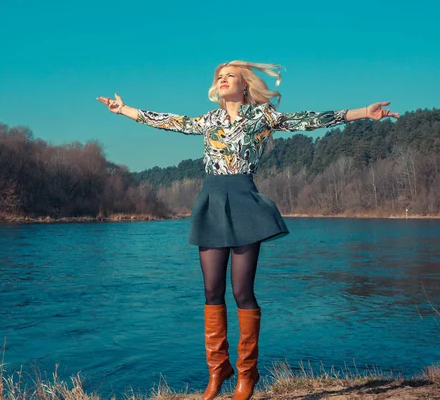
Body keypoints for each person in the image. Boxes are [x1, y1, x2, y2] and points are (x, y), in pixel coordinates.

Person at [97, 60, 399, 400]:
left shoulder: (262, 117)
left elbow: (308, 120)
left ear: (244, 86)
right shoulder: (208, 120)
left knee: (242, 291)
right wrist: (124, 110)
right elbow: (169, 121)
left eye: (231, 77)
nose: (223, 81)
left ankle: (247, 373)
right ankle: (217, 369)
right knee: (212, 291)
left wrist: (361, 112)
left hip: (243, 203)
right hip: (211, 201)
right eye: (219, 77)